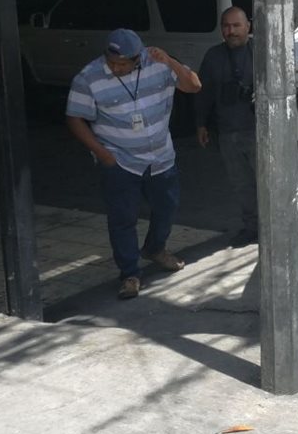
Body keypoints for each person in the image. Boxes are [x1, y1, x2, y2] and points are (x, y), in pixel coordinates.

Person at [66, 28, 202, 299]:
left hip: (161, 158)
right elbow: (75, 118)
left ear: (138, 59)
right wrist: (102, 154)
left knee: (167, 207)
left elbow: (194, 85)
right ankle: (129, 273)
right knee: (122, 219)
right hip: (121, 162)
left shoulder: (159, 64)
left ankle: (155, 248)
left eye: (122, 64)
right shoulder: (88, 78)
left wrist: (171, 62)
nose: (115, 68)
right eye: (111, 62)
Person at [195, 6, 259, 247]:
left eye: (236, 25)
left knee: (267, 183)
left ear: (248, 26)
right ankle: (252, 227)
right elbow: (204, 92)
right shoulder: (213, 55)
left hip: (258, 130)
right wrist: (201, 123)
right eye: (225, 26)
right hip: (228, 131)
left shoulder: (260, 51)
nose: (230, 31)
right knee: (241, 184)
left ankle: (277, 228)